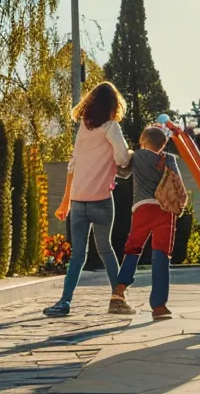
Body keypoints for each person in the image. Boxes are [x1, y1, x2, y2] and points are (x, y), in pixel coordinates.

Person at [45, 82, 135, 317]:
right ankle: (118, 300)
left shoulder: (84, 129)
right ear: (113, 105)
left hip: (78, 200)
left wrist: (65, 201)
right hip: (101, 200)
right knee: (106, 250)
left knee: (78, 255)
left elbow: (72, 165)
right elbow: (123, 158)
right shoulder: (111, 127)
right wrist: (130, 157)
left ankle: (64, 302)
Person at [111, 126, 183, 320]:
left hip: (142, 208)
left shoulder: (138, 156)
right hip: (165, 211)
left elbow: (121, 171)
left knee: (133, 248)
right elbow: (177, 184)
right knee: (161, 255)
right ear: (164, 144)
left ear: (143, 140)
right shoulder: (170, 159)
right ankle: (159, 306)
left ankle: (119, 290)